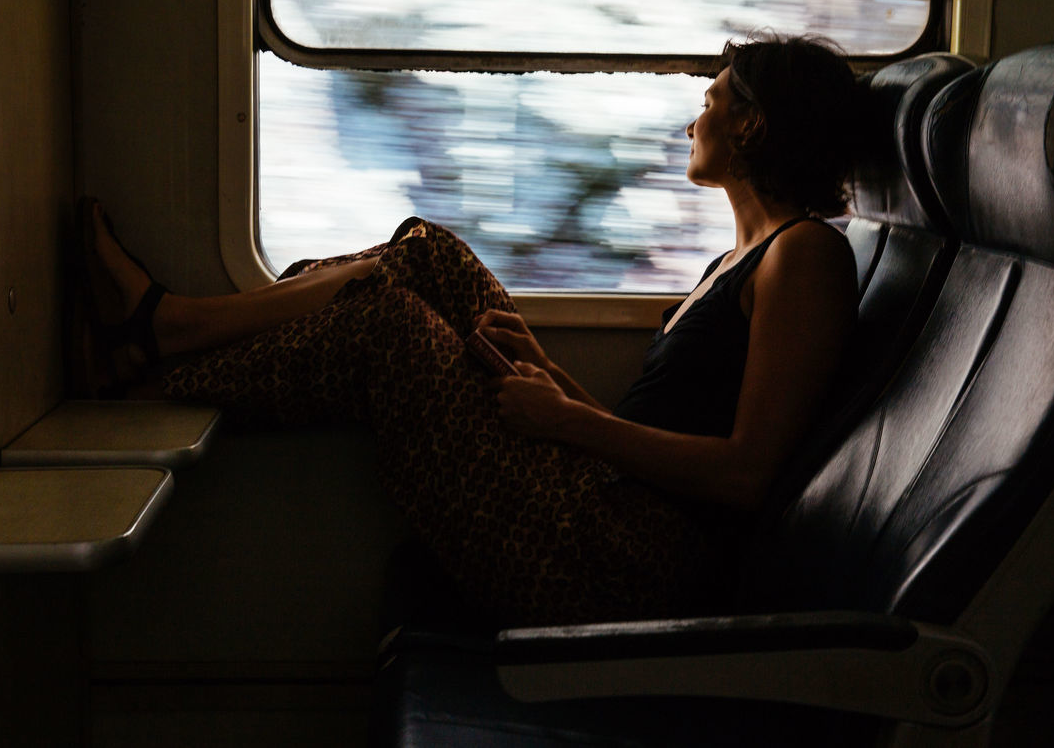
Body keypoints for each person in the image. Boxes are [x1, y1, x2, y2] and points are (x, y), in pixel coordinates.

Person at [77, 34, 864, 626]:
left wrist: (567, 419)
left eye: (713, 99)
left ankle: (153, 368)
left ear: (753, 126)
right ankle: (172, 328)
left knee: (386, 321)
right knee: (431, 255)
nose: (695, 118)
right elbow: (661, 429)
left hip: (628, 564)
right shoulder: (737, 258)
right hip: (612, 509)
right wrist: (554, 381)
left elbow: (745, 475)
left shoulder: (806, 257)